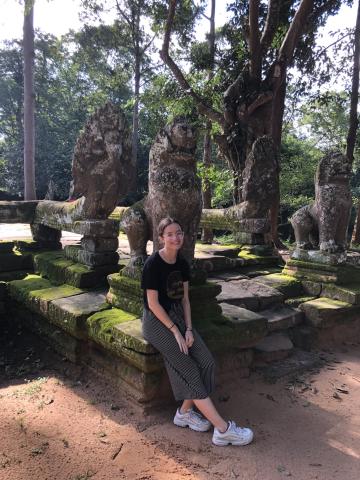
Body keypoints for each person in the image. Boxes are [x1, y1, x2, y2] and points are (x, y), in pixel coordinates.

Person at [141, 217, 254, 446]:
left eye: (179, 233)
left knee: (206, 362)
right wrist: (175, 331)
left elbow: (185, 300)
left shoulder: (181, 263)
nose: (176, 237)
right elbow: (152, 304)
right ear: (161, 238)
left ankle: (184, 413)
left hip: (177, 316)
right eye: (170, 234)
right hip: (156, 321)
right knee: (190, 368)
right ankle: (222, 430)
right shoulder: (152, 264)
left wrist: (189, 329)